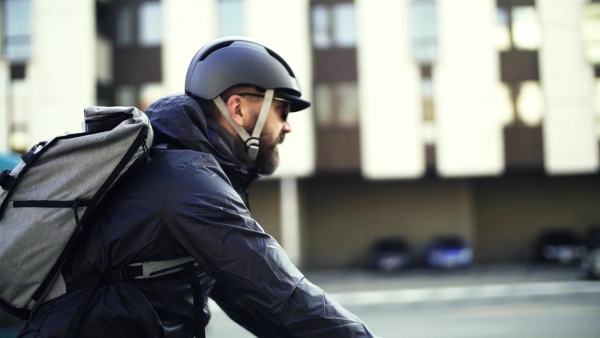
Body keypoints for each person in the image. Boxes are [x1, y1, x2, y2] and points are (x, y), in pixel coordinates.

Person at [18, 36, 377, 337]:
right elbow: (283, 294)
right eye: (281, 110)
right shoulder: (187, 180)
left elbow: (254, 300)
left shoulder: (175, 166)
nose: (287, 127)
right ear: (237, 109)